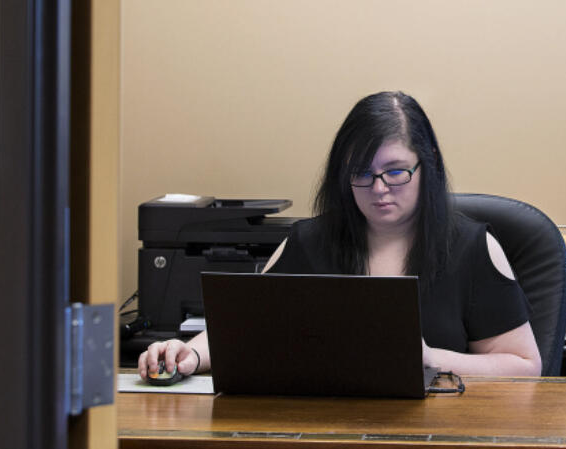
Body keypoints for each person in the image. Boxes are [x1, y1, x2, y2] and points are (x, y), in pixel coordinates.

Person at [138, 91, 542, 380]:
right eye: (362, 173)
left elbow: (524, 365)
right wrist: (187, 353)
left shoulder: (471, 248)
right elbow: (238, 331)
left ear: (427, 167)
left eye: (396, 171)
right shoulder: (308, 243)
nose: (380, 188)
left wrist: (427, 357)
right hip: (326, 431)